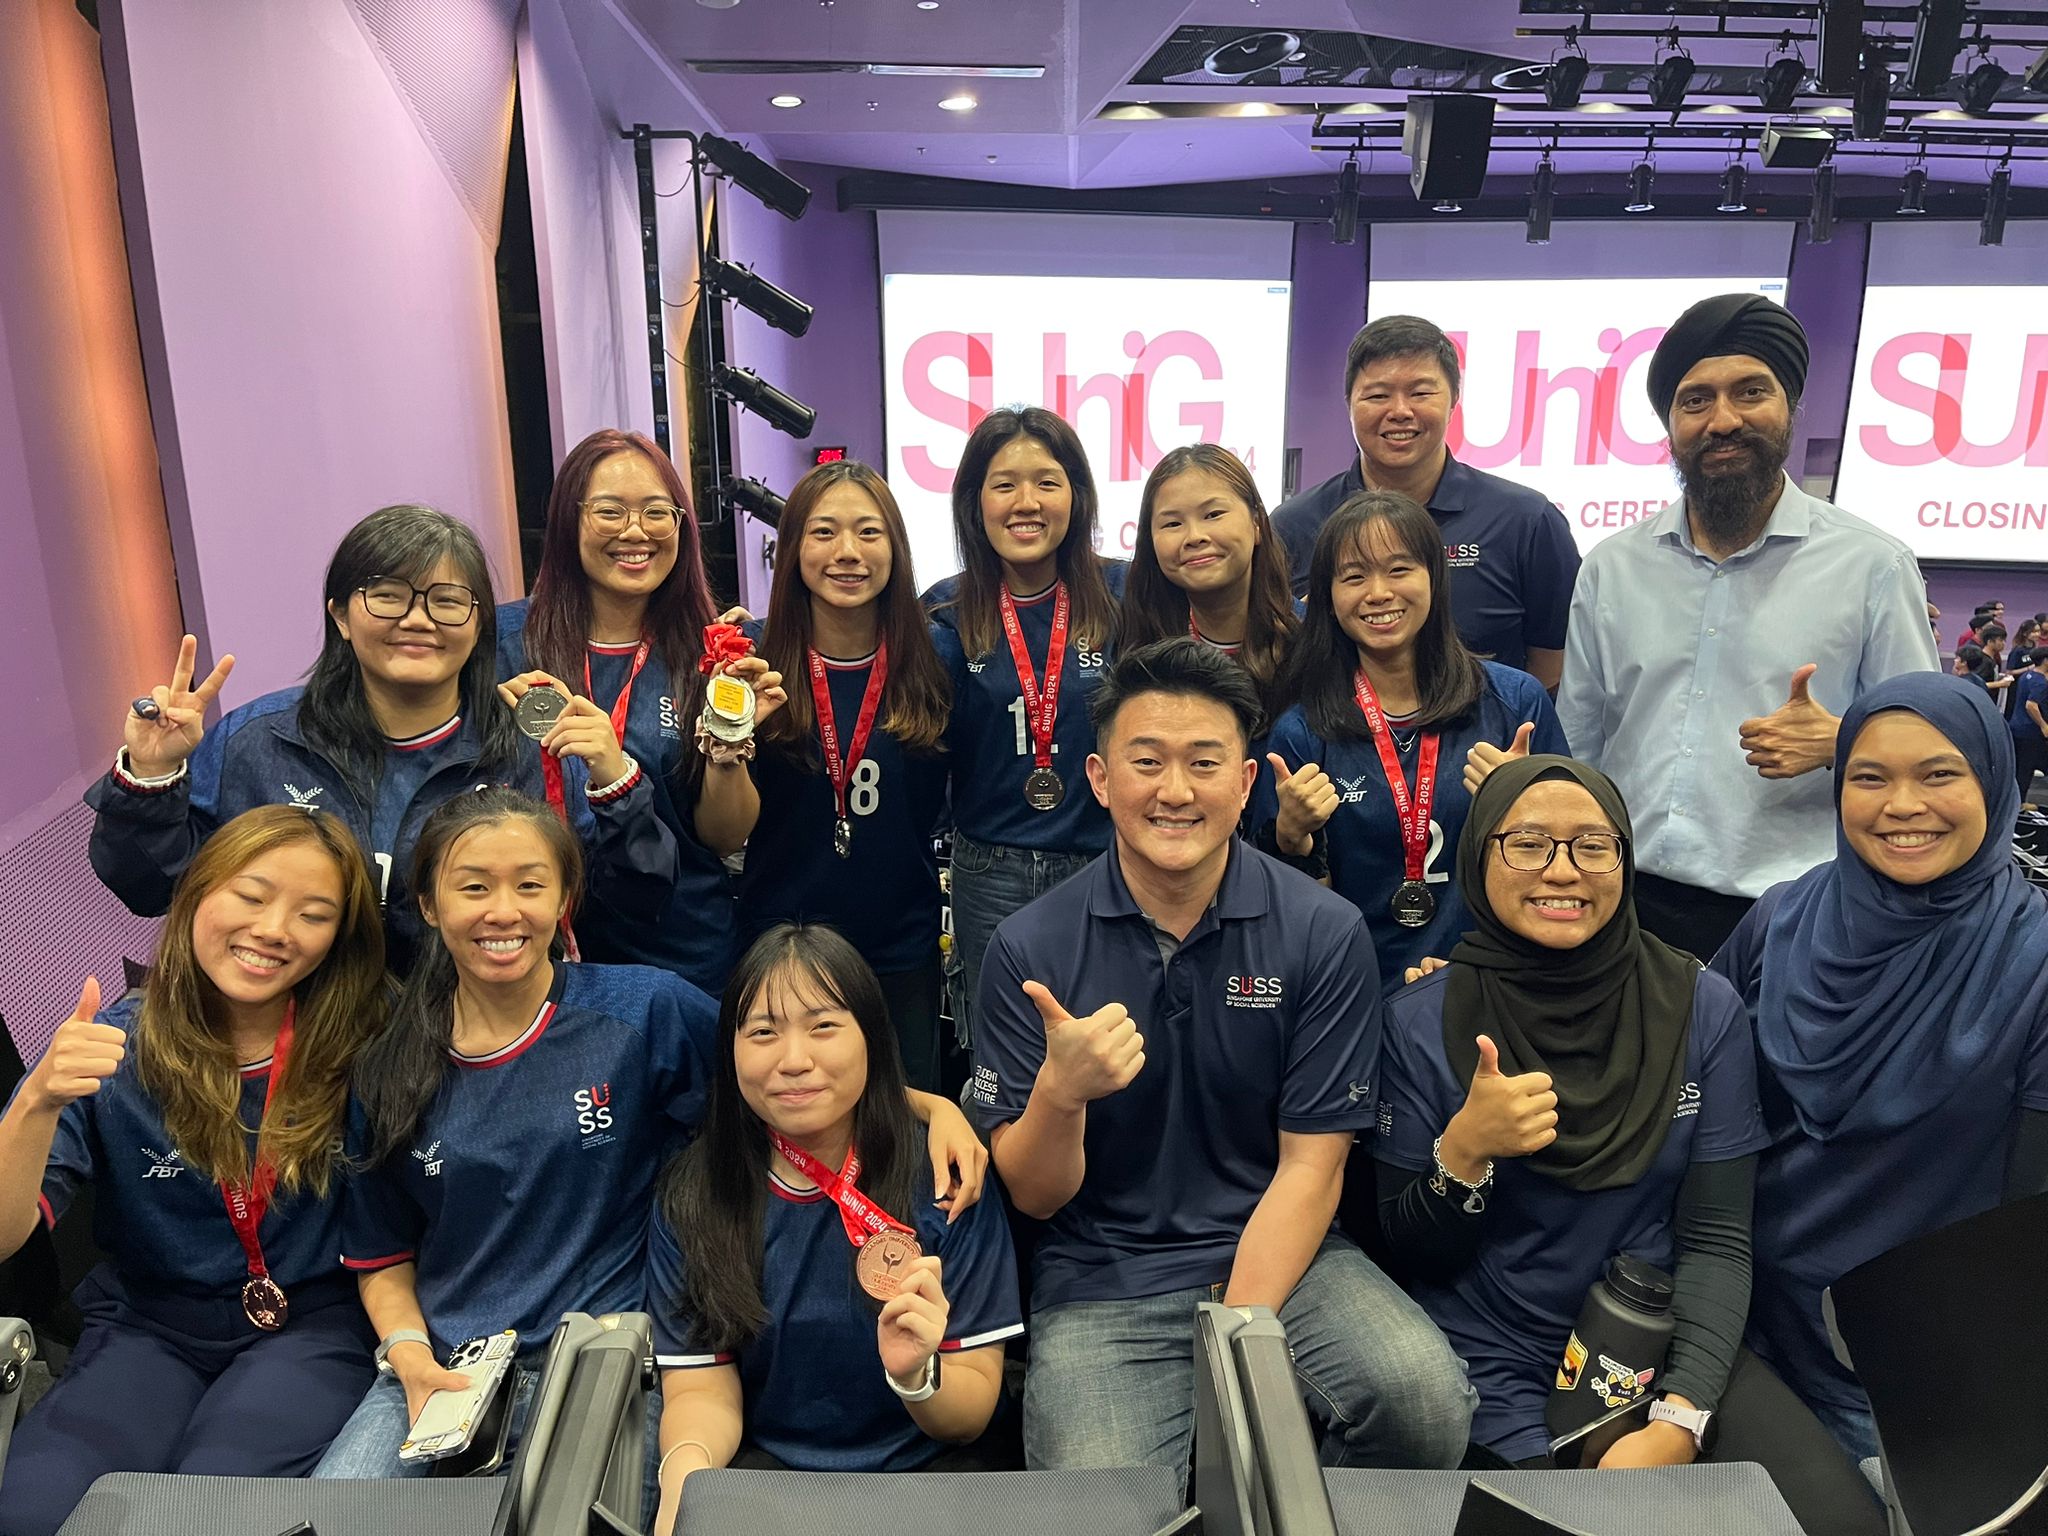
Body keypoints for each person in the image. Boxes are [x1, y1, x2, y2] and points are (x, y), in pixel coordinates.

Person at [317, 790, 988, 1480]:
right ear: (429, 904)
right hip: (441, 1373)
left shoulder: (645, 1012)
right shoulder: (388, 1065)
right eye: (474, 888)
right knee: (339, 1508)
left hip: (606, 1366)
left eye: (529, 885)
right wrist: (408, 1356)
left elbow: (775, 1073)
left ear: (564, 899)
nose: (503, 911)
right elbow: (381, 1249)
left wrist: (933, 1107)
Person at [970, 637, 1475, 1480]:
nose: (1175, 790)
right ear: (1099, 780)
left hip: (1290, 1249)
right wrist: (1059, 1094)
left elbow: (1312, 1170)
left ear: (1245, 785)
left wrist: (1239, 1341)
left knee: (1422, 1404)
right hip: (1104, 1277)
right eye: (1147, 762)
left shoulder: (1322, 930)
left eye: (1204, 763)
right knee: (1096, 1506)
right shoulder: (1029, 947)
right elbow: (1034, 1192)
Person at [1374, 758, 1884, 1536]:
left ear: (1624, 858)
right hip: (1502, 1352)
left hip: (1667, 1334)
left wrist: (1681, 1416)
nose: (1563, 871)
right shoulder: (1420, 1021)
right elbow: (1410, 1259)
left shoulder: (1698, 1006)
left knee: (1844, 1523)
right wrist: (1465, 1152)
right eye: (1530, 844)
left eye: (1592, 845)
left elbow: (1715, 1239)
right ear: (1480, 857)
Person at [0, 808, 387, 1536]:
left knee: (200, 1512)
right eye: (251, 894)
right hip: (151, 1323)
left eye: (314, 914)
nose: (275, 928)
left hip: (313, 1324)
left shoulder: (367, 1043)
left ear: (340, 938)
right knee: (35, 1513)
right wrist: (37, 1104)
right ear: (197, 893)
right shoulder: (112, 1046)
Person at [88, 504, 674, 970]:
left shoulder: (532, 753)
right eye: (388, 596)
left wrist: (613, 781)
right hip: (306, 1054)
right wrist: (150, 777)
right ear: (341, 615)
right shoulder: (258, 741)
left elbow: (633, 903)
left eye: (447, 601)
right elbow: (150, 890)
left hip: (471, 1050)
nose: (417, 620)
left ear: (478, 627)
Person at [1710, 674, 2048, 1466]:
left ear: (1993, 782)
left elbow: (2032, 1211)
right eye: (1869, 777)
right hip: (1741, 1322)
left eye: (1938, 775)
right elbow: (1690, 1094)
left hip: (1924, 1366)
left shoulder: (2034, 965)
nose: (1901, 806)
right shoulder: (1780, 919)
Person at [1557, 294, 1938, 961]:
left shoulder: (1872, 566)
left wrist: (1843, 741)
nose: (1722, 421)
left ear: (1790, 407)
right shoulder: (1613, 568)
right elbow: (1581, 746)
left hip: (1794, 918)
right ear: (1671, 423)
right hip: (1624, 906)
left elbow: (1932, 756)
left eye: (1750, 392)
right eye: (1695, 400)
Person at [647, 925, 1022, 1530]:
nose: (795, 1061)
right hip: (768, 1479)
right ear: (730, 1051)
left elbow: (972, 1410)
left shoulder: (946, 1171)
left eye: (824, 1027)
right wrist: (684, 1486)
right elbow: (701, 1393)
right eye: (763, 1032)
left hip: (939, 1473)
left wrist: (916, 1376)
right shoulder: (694, 1195)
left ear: (872, 1038)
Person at [1257, 491, 1566, 992]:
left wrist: (1520, 806)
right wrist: (1293, 839)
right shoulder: (1303, 729)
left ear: (1434, 580)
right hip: (1353, 990)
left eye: (1399, 569)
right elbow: (1289, 913)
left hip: (1496, 986)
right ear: (1328, 599)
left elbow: (1565, 865)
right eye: (1354, 577)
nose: (1378, 593)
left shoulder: (1514, 705)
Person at [499, 429, 767, 994]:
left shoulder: (713, 651)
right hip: (531, 948)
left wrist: (726, 750)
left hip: (678, 951)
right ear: (568, 521)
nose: (635, 531)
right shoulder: (505, 644)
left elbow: (721, 839)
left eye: (656, 512)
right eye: (609, 512)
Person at [732, 461, 953, 1090]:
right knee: (796, 1127)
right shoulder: (748, 660)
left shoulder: (936, 659)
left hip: (899, 946)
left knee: (904, 1129)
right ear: (794, 546)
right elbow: (719, 830)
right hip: (781, 944)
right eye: (824, 532)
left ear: (896, 548)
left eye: (869, 532)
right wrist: (733, 740)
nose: (848, 553)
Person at [924, 406, 1125, 1054]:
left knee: (1110, 1051)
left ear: (1077, 494)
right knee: (1004, 1062)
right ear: (974, 500)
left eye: (1047, 481)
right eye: (1004, 483)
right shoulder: (946, 610)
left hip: (1106, 861)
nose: (1026, 502)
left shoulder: (1124, 594)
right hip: (989, 871)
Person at [1271, 315, 1580, 688]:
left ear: (1453, 401)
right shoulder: (1295, 525)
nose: (1400, 411)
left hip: (1484, 745)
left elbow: (1552, 664)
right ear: (1349, 403)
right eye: (1378, 395)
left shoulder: (1527, 521)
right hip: (1329, 740)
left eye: (1420, 392)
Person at [1124, 442, 1299, 736]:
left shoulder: (1309, 638)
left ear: (1257, 523)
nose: (1195, 536)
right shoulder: (1140, 650)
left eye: (1213, 515)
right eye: (1172, 523)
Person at [2011, 646, 2048, 802]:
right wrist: (2043, 725)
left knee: (2019, 770)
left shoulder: (2027, 676)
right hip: (2029, 732)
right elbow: (2031, 705)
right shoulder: (2040, 683)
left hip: (2016, 727)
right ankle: (2020, 804)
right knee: (2025, 771)